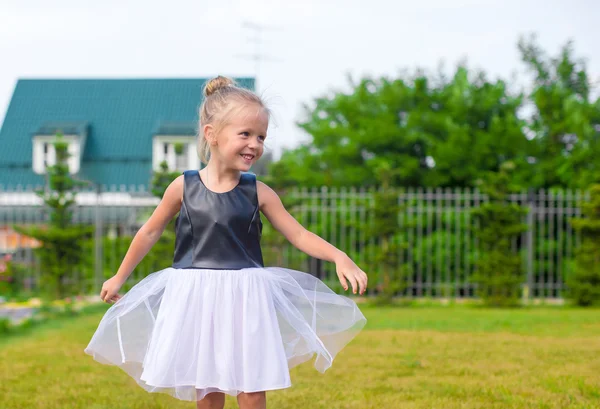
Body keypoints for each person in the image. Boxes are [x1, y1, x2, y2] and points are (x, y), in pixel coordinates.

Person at [84, 76, 368, 409]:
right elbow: (149, 231)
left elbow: (299, 234)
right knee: (207, 384)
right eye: (245, 134)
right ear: (212, 134)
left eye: (261, 136)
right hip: (196, 296)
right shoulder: (182, 187)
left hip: (247, 296)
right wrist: (120, 275)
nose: (255, 144)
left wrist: (339, 256)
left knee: (252, 384)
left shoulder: (258, 191)